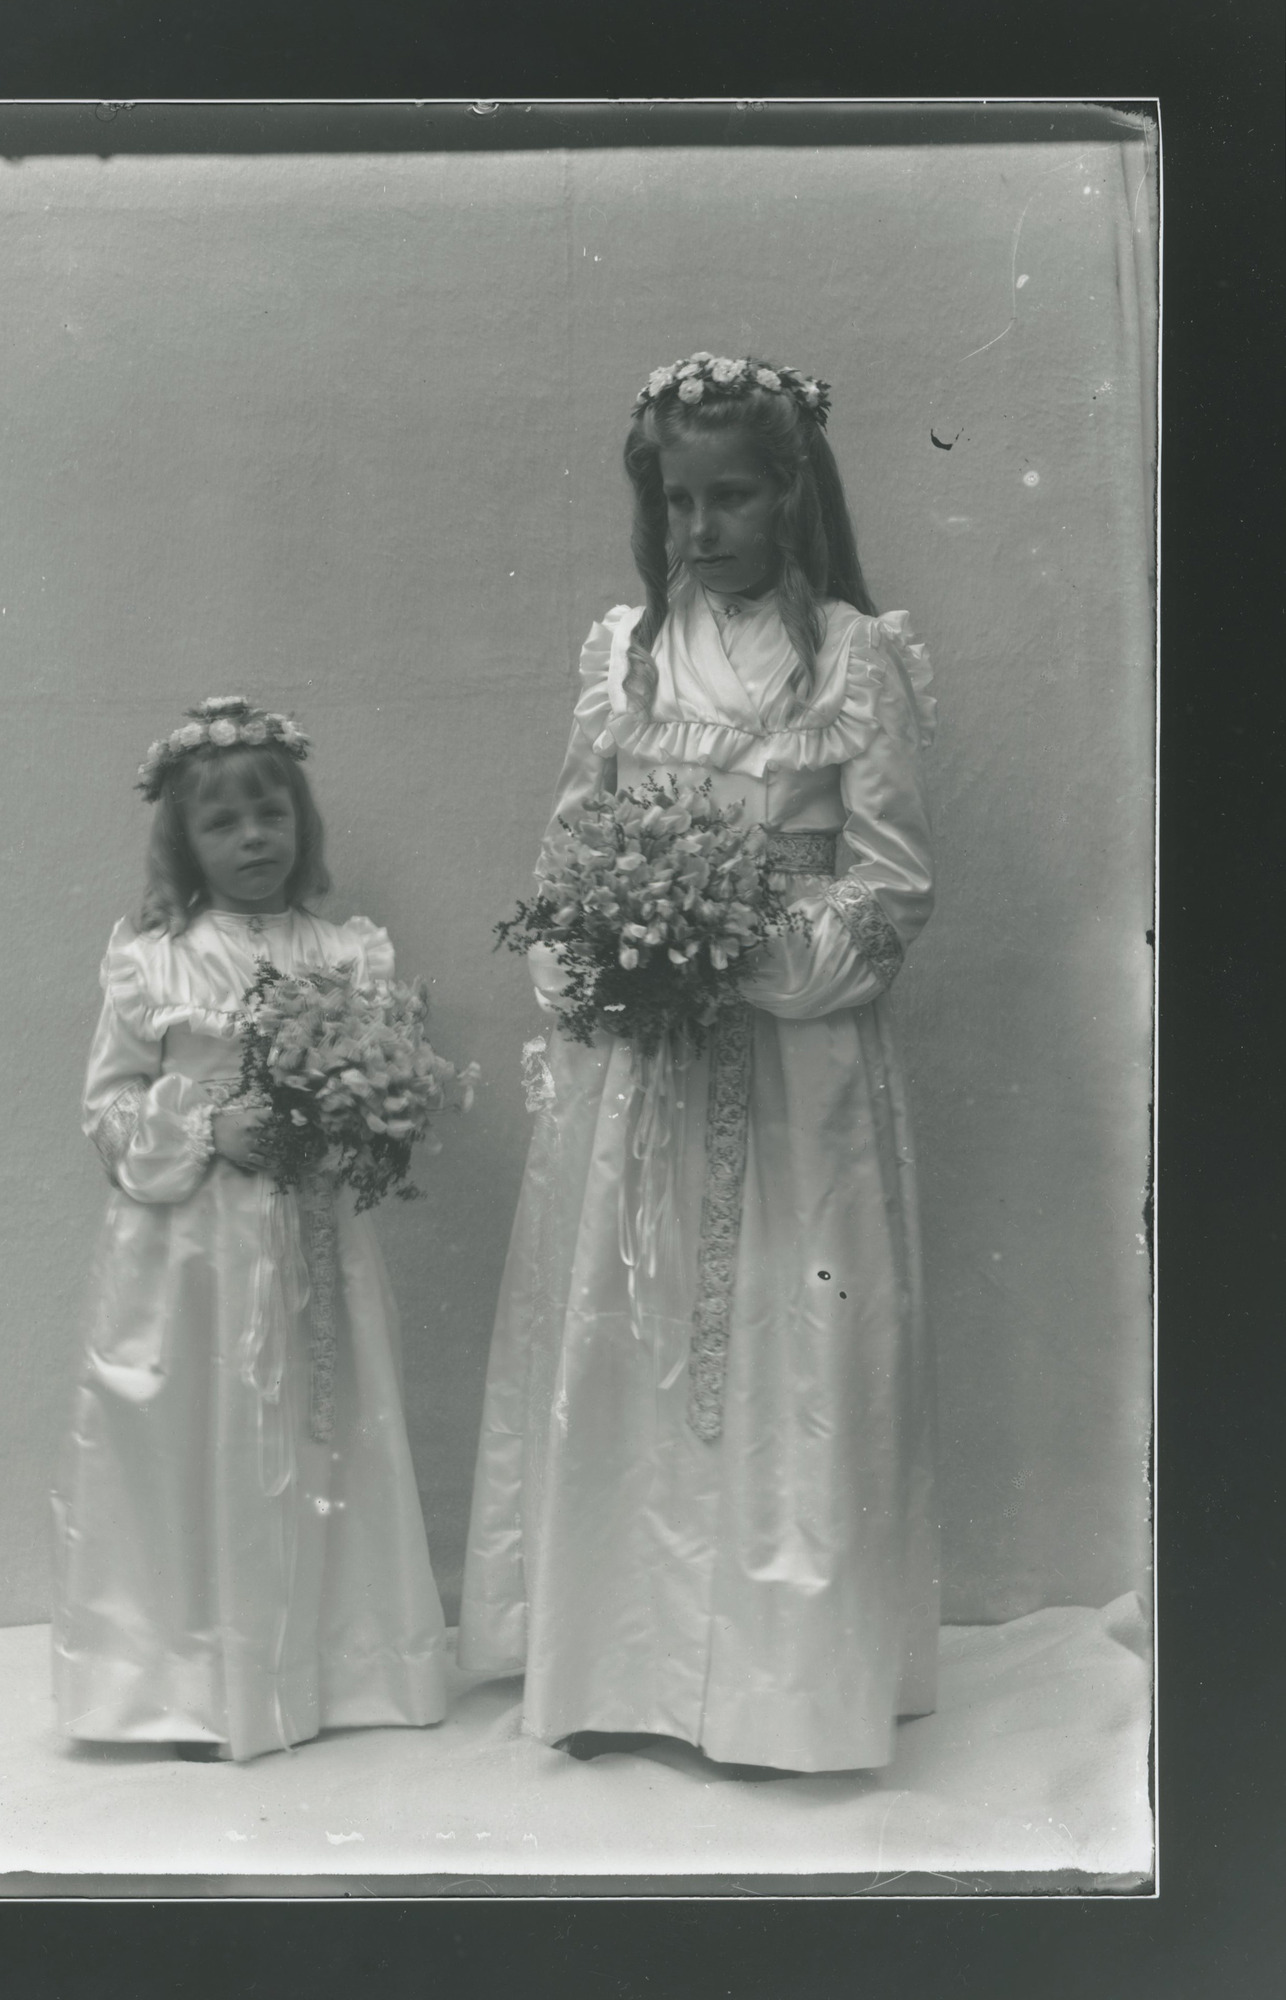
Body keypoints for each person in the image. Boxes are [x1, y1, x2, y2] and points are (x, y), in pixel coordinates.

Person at [458, 353, 939, 1774]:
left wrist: (741, 946)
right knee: (637, 1329)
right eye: (679, 503)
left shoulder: (855, 660)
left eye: (731, 497)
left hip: (798, 1079)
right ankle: (621, 1665)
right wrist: (603, 949)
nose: (702, 529)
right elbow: (565, 859)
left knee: (787, 1343)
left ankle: (786, 1685)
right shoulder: (623, 659)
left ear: (792, 493)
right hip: (644, 1069)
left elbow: (892, 890)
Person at [52, 698, 447, 1761]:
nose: (253, 840)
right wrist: (203, 1125)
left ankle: (337, 1667)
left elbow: (383, 1079)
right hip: (189, 1257)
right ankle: (185, 1675)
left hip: (310, 1239)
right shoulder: (156, 960)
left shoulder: (345, 950)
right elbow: (106, 1108)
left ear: (300, 824)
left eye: (270, 816)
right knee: (194, 1438)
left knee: (327, 1426)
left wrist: (362, 1103)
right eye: (223, 825)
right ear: (184, 843)